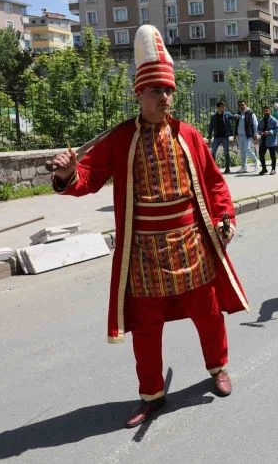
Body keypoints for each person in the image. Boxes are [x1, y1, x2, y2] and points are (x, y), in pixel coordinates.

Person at [48, 25, 249, 428]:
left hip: (192, 243)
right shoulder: (120, 139)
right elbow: (85, 179)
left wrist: (225, 216)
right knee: (145, 326)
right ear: (138, 94)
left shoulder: (188, 135)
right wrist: (68, 173)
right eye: (156, 91)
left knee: (208, 313)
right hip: (142, 253)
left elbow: (213, 182)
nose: (164, 98)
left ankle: (218, 367)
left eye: (168, 91)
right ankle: (152, 394)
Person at [208, 101, 234, 173]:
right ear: (218, 107)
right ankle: (213, 168)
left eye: (224, 106)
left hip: (225, 136)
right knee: (213, 152)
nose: (224, 108)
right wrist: (209, 137)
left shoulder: (227, 114)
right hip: (216, 137)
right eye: (222, 106)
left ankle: (227, 167)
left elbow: (233, 117)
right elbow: (211, 127)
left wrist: (236, 116)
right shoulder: (213, 117)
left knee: (226, 152)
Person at [235, 100, 260, 173]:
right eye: (240, 105)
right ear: (238, 107)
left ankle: (256, 161)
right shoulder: (238, 114)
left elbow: (255, 124)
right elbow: (236, 125)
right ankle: (244, 167)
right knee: (242, 151)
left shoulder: (250, 113)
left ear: (246, 105)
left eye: (243, 105)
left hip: (248, 135)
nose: (241, 106)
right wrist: (235, 134)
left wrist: (255, 133)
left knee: (247, 149)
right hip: (240, 135)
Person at [257, 105, 278, 175]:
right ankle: (264, 169)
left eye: (267, 111)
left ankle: (273, 169)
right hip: (263, 140)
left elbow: (277, 129)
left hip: (271, 141)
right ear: (263, 112)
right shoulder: (261, 120)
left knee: (272, 155)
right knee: (261, 154)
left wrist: (270, 132)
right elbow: (258, 129)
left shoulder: (274, 120)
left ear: (269, 111)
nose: (266, 112)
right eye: (264, 111)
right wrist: (261, 132)